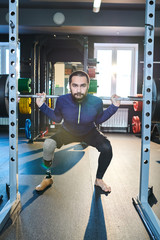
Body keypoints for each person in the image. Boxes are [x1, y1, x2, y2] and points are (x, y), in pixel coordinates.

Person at [35, 70, 120, 192]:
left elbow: (99, 120)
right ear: (69, 86)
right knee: (48, 144)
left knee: (107, 148)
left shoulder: (96, 102)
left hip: (89, 132)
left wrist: (114, 107)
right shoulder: (62, 100)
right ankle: (48, 177)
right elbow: (57, 118)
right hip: (67, 131)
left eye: (82, 86)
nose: (79, 90)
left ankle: (99, 179)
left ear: (88, 86)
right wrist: (42, 105)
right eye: (75, 85)